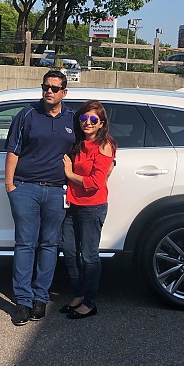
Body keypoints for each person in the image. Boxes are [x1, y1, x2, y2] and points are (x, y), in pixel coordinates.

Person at [4, 70, 75, 326]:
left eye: (55, 88)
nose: (49, 91)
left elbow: (86, 148)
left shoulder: (73, 118)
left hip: (57, 191)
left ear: (64, 92)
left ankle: (40, 298)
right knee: (25, 244)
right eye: (46, 86)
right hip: (26, 189)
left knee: (48, 245)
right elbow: (13, 149)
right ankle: (22, 301)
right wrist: (10, 185)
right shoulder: (27, 114)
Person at [60, 100, 116, 320]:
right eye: (84, 118)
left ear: (102, 123)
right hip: (73, 203)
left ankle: (90, 302)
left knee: (89, 255)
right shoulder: (79, 142)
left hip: (92, 206)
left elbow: (95, 182)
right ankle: (78, 293)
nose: (88, 123)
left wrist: (69, 173)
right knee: (70, 251)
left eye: (94, 119)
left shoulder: (104, 145)